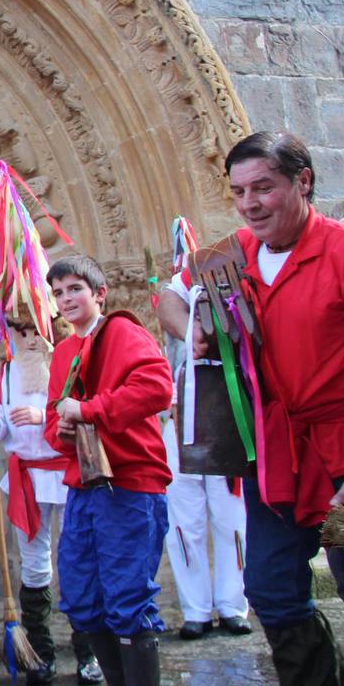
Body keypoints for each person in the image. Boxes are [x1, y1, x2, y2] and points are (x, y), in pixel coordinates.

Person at [156, 132, 344, 686]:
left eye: (264, 188)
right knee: (270, 588)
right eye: (240, 191)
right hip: (277, 464)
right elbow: (168, 294)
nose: (250, 203)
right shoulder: (232, 254)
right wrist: (191, 327)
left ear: (303, 182)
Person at [43, 255, 172, 686]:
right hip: (83, 487)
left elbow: (156, 386)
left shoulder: (123, 331)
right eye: (58, 293)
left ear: (99, 293)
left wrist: (89, 410)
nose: (66, 299)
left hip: (130, 487)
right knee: (81, 599)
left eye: (75, 288)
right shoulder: (62, 352)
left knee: (128, 601)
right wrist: (61, 429)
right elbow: (52, 420)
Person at [0, 317, 102, 686]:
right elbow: (0, 427)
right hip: (26, 478)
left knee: (78, 560)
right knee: (33, 565)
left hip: (66, 475)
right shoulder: (6, 373)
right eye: (21, 333)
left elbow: (84, 413)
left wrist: (41, 417)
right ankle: (41, 654)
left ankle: (88, 653)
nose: (30, 341)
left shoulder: (67, 364)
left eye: (36, 332)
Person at [153, 273, 251, 641]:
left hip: (230, 423)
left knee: (231, 520)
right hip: (181, 426)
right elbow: (167, 303)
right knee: (183, 525)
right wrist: (190, 330)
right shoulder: (188, 283)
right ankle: (195, 610)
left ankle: (233, 605)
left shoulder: (244, 285)